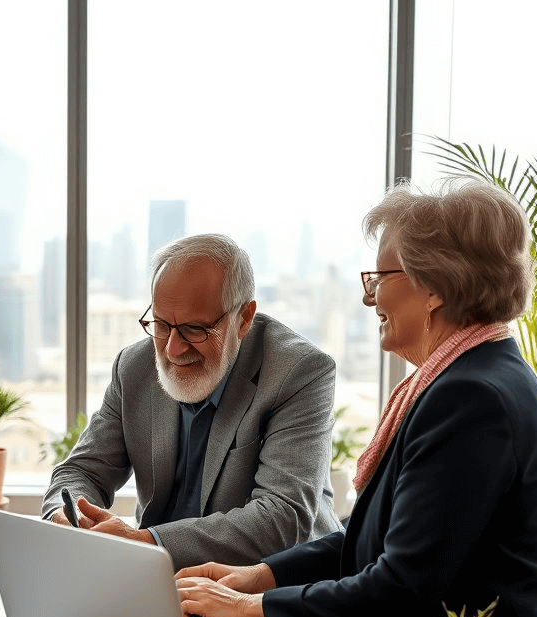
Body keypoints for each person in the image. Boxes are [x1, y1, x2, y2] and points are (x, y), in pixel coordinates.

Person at [175, 180, 537, 617]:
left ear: (433, 288)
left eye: (381, 278)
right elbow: (377, 540)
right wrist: (257, 576)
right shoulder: (470, 379)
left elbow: (402, 587)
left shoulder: (471, 399)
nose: (370, 298)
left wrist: (252, 612)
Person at [41, 233, 341, 570]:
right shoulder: (134, 367)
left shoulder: (299, 371)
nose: (172, 350)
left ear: (243, 319)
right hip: (161, 583)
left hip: (270, 589)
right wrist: (69, 518)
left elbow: (282, 519)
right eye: (161, 325)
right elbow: (82, 471)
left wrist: (147, 543)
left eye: (195, 330)